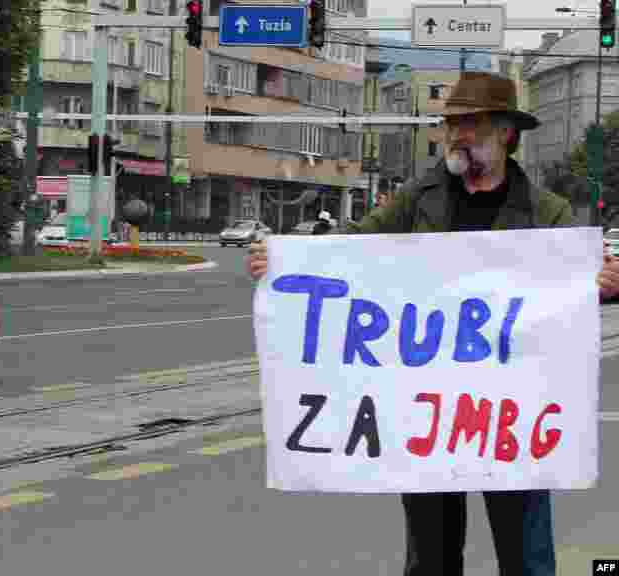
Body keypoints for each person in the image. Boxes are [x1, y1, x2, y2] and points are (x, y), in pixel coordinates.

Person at [246, 71, 619, 576]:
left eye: (470, 123)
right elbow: (353, 247)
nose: (457, 134)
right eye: (452, 124)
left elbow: (575, 293)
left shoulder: (543, 213)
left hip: (510, 414)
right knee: (430, 557)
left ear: (506, 132)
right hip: (429, 412)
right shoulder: (420, 196)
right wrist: (286, 262)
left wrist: (606, 285)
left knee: (527, 556)